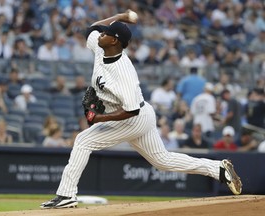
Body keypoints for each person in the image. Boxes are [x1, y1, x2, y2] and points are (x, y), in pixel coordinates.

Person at [41, 10, 242, 209]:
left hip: (132, 118)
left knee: (83, 141)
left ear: (114, 41)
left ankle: (66, 195)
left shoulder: (123, 74)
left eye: (107, 33)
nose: (102, 34)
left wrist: (100, 118)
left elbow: (132, 110)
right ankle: (218, 169)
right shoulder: (102, 47)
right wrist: (119, 16)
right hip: (141, 114)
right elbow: (91, 29)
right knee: (163, 161)